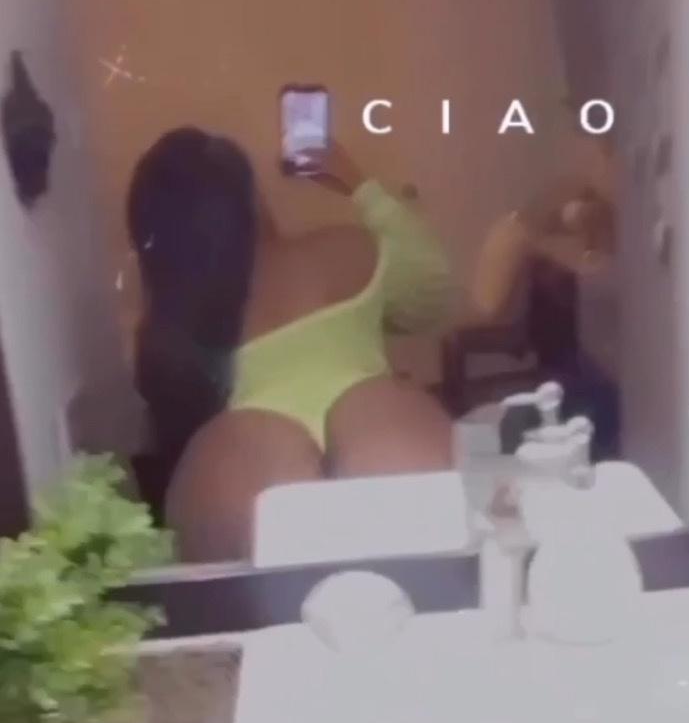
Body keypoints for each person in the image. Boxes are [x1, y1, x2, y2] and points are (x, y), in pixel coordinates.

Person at [128, 127, 456, 561]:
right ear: (251, 202)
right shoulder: (340, 253)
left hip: (249, 493)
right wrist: (358, 184)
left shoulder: (167, 334)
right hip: (391, 455)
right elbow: (430, 295)